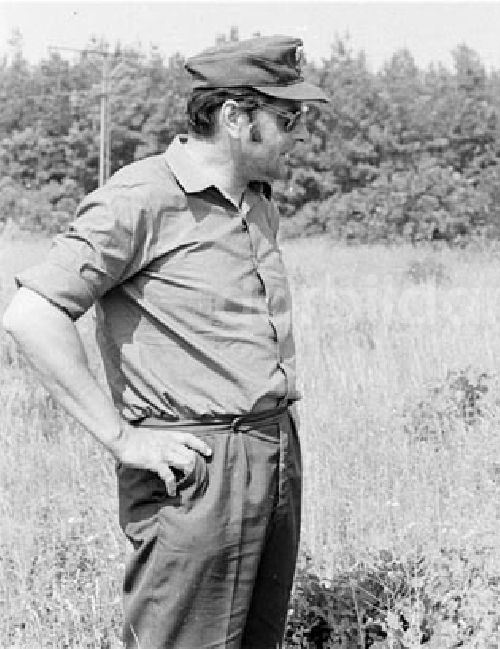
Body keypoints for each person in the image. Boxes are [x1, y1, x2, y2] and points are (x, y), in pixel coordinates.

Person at [2, 35, 330, 648]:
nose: (299, 134)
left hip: (272, 448)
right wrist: (122, 439)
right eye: (287, 118)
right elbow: (32, 314)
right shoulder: (140, 197)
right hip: (197, 468)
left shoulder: (256, 203)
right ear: (236, 118)